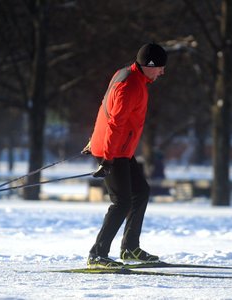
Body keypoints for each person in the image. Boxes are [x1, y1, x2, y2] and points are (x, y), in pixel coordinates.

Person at [82, 43, 167, 268]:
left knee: (141, 192)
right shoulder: (130, 85)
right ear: (149, 65)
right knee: (121, 202)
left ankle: (129, 248)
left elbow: (104, 108)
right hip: (114, 151)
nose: (162, 72)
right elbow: (115, 123)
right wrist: (107, 158)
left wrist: (93, 139)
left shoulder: (128, 75)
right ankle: (97, 254)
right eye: (160, 67)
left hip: (120, 149)